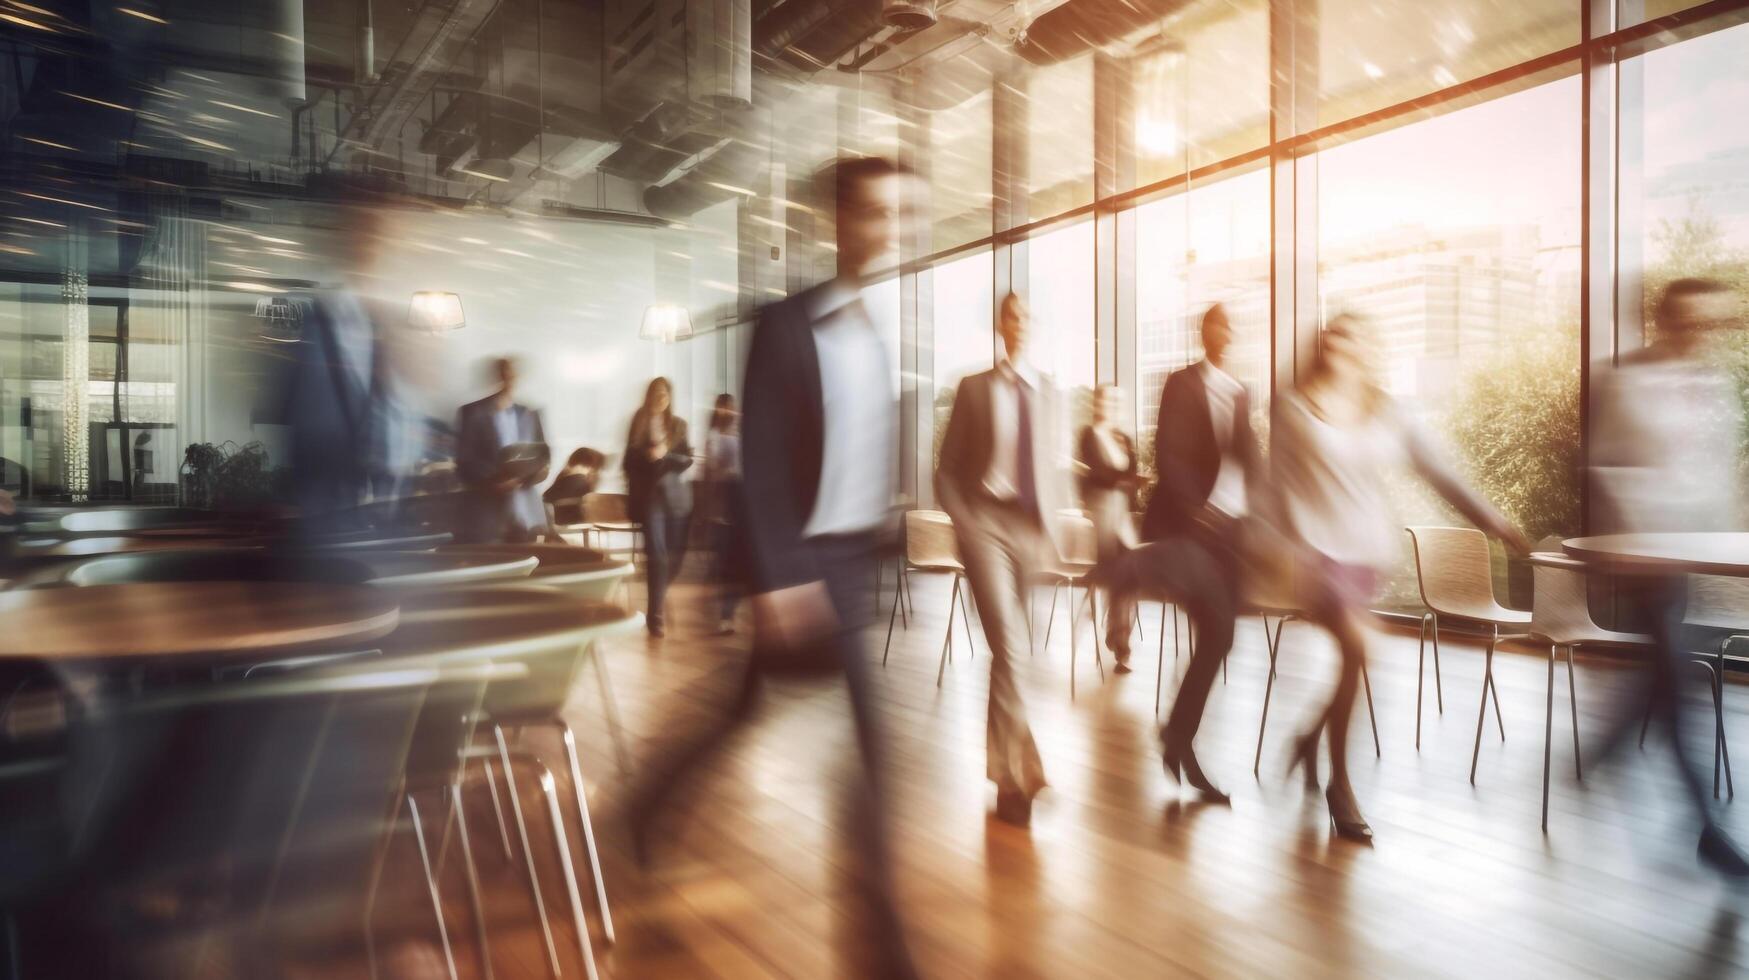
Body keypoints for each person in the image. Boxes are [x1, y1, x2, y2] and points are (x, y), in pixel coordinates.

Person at [621, 156, 919, 979]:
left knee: (763, 719)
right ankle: (881, 952)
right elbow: (764, 465)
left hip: (853, 563)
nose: (888, 228)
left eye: (901, 213)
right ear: (839, 221)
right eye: (874, 212)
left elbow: (852, 453)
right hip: (804, 566)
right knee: (842, 741)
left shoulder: (871, 329)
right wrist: (780, 577)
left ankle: (647, 808)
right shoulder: (785, 324)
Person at [1268, 313, 1527, 841]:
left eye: (1359, 337)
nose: (1346, 344)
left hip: (1366, 558)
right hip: (1316, 559)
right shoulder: (1293, 408)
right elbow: (1275, 488)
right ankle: (1341, 786)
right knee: (1363, 651)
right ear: (1323, 346)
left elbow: (1436, 470)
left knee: (1351, 663)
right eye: (1337, 335)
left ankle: (1308, 739)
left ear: (1370, 350)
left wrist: (1492, 519)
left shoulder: (1385, 410)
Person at [1589, 277, 1749, 876]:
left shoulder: (1714, 385)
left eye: (1716, 322)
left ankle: (1601, 752)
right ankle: (1707, 827)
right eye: (1693, 319)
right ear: (1666, 319)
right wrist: (1624, 548)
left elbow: (1717, 469)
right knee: (1679, 687)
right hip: (1642, 553)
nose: (1704, 332)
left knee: (1660, 680)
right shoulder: (1624, 378)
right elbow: (1602, 466)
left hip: (1691, 552)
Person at [1098, 303, 1262, 800]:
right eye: (1218, 323)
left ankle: (1177, 738)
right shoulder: (1180, 383)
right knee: (1216, 630)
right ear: (1204, 331)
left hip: (1228, 539)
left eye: (1232, 325)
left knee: (1220, 636)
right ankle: (1179, 741)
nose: (1225, 331)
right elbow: (1168, 454)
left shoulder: (1238, 393)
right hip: (1190, 533)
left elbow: (1249, 458)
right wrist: (1197, 513)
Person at [936, 291, 1071, 827]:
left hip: (1028, 532)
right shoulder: (973, 388)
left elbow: (1051, 469)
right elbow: (944, 468)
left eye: (1027, 315)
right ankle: (1018, 778)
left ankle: (1012, 776)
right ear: (1000, 324)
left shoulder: (1047, 392)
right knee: (1011, 647)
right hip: (985, 525)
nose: (1019, 323)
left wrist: (1052, 531)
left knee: (1008, 654)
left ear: (1032, 325)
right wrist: (964, 523)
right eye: (1011, 314)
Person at [1076, 384, 1141, 668]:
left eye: (1116, 401)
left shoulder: (1123, 438)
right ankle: (1120, 642)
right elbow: (1097, 475)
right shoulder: (1088, 435)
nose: (1111, 405)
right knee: (1119, 572)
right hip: (1101, 516)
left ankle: (1119, 637)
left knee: (1130, 574)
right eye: (1106, 399)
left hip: (1122, 516)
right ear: (1097, 403)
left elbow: (1131, 473)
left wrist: (1123, 481)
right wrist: (1122, 480)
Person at [624, 377, 694, 637]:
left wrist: (666, 455)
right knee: (658, 557)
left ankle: (659, 596)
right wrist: (647, 456)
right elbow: (627, 462)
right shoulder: (638, 422)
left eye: (664, 392)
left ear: (669, 396)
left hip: (675, 499)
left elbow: (687, 459)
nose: (660, 396)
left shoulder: (678, 425)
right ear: (649, 395)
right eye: (656, 392)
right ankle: (656, 614)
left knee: (673, 558)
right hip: (648, 499)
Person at [455, 356, 550, 544]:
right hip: (487, 503)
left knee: (527, 557)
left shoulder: (530, 413)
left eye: (513, 375)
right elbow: (465, 459)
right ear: (495, 376)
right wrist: (495, 482)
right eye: (505, 374)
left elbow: (542, 456)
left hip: (524, 502)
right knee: (489, 559)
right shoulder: (472, 412)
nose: (509, 379)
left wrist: (523, 479)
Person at [703, 393, 745, 634]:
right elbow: (713, 471)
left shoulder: (741, 435)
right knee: (725, 561)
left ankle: (725, 611)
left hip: (741, 504)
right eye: (723, 408)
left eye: (731, 408)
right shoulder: (715, 436)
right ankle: (723, 612)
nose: (728, 413)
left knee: (731, 562)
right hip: (724, 503)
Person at [543, 447, 605, 531]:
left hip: (560, 527)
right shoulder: (583, 482)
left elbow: (545, 498)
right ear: (592, 466)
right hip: (580, 528)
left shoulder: (561, 481)